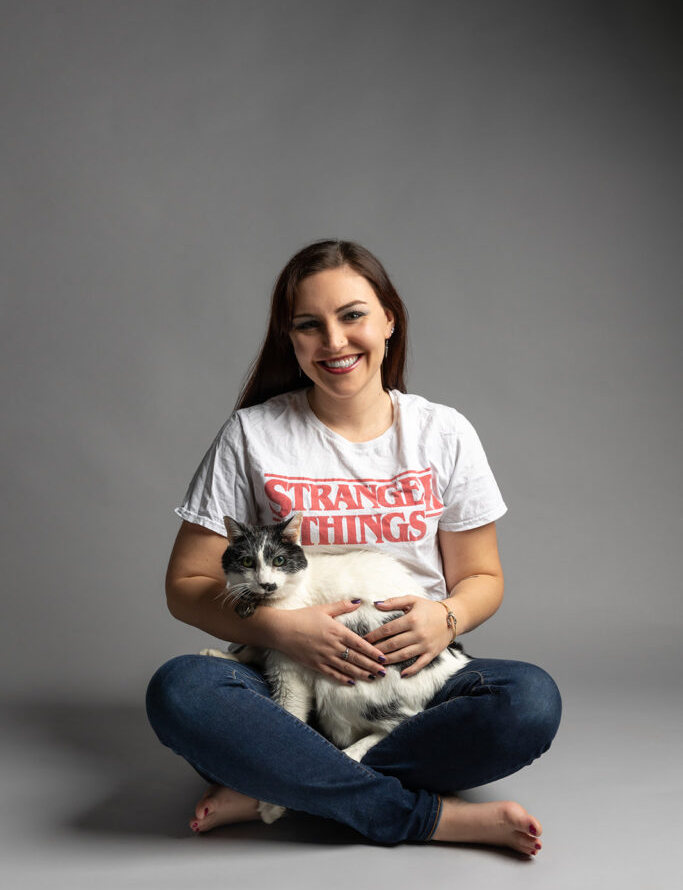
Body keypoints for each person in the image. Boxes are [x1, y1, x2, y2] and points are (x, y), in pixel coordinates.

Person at [146, 239, 562, 855]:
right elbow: (186, 586)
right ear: (291, 339)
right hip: (283, 680)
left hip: (406, 678)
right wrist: (283, 632)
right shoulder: (253, 433)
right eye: (309, 325)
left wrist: (443, 619)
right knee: (181, 691)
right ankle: (422, 816)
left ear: (389, 319)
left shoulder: (441, 433)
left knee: (529, 701)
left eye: (352, 315)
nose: (334, 342)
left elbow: (482, 577)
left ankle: (281, 783)